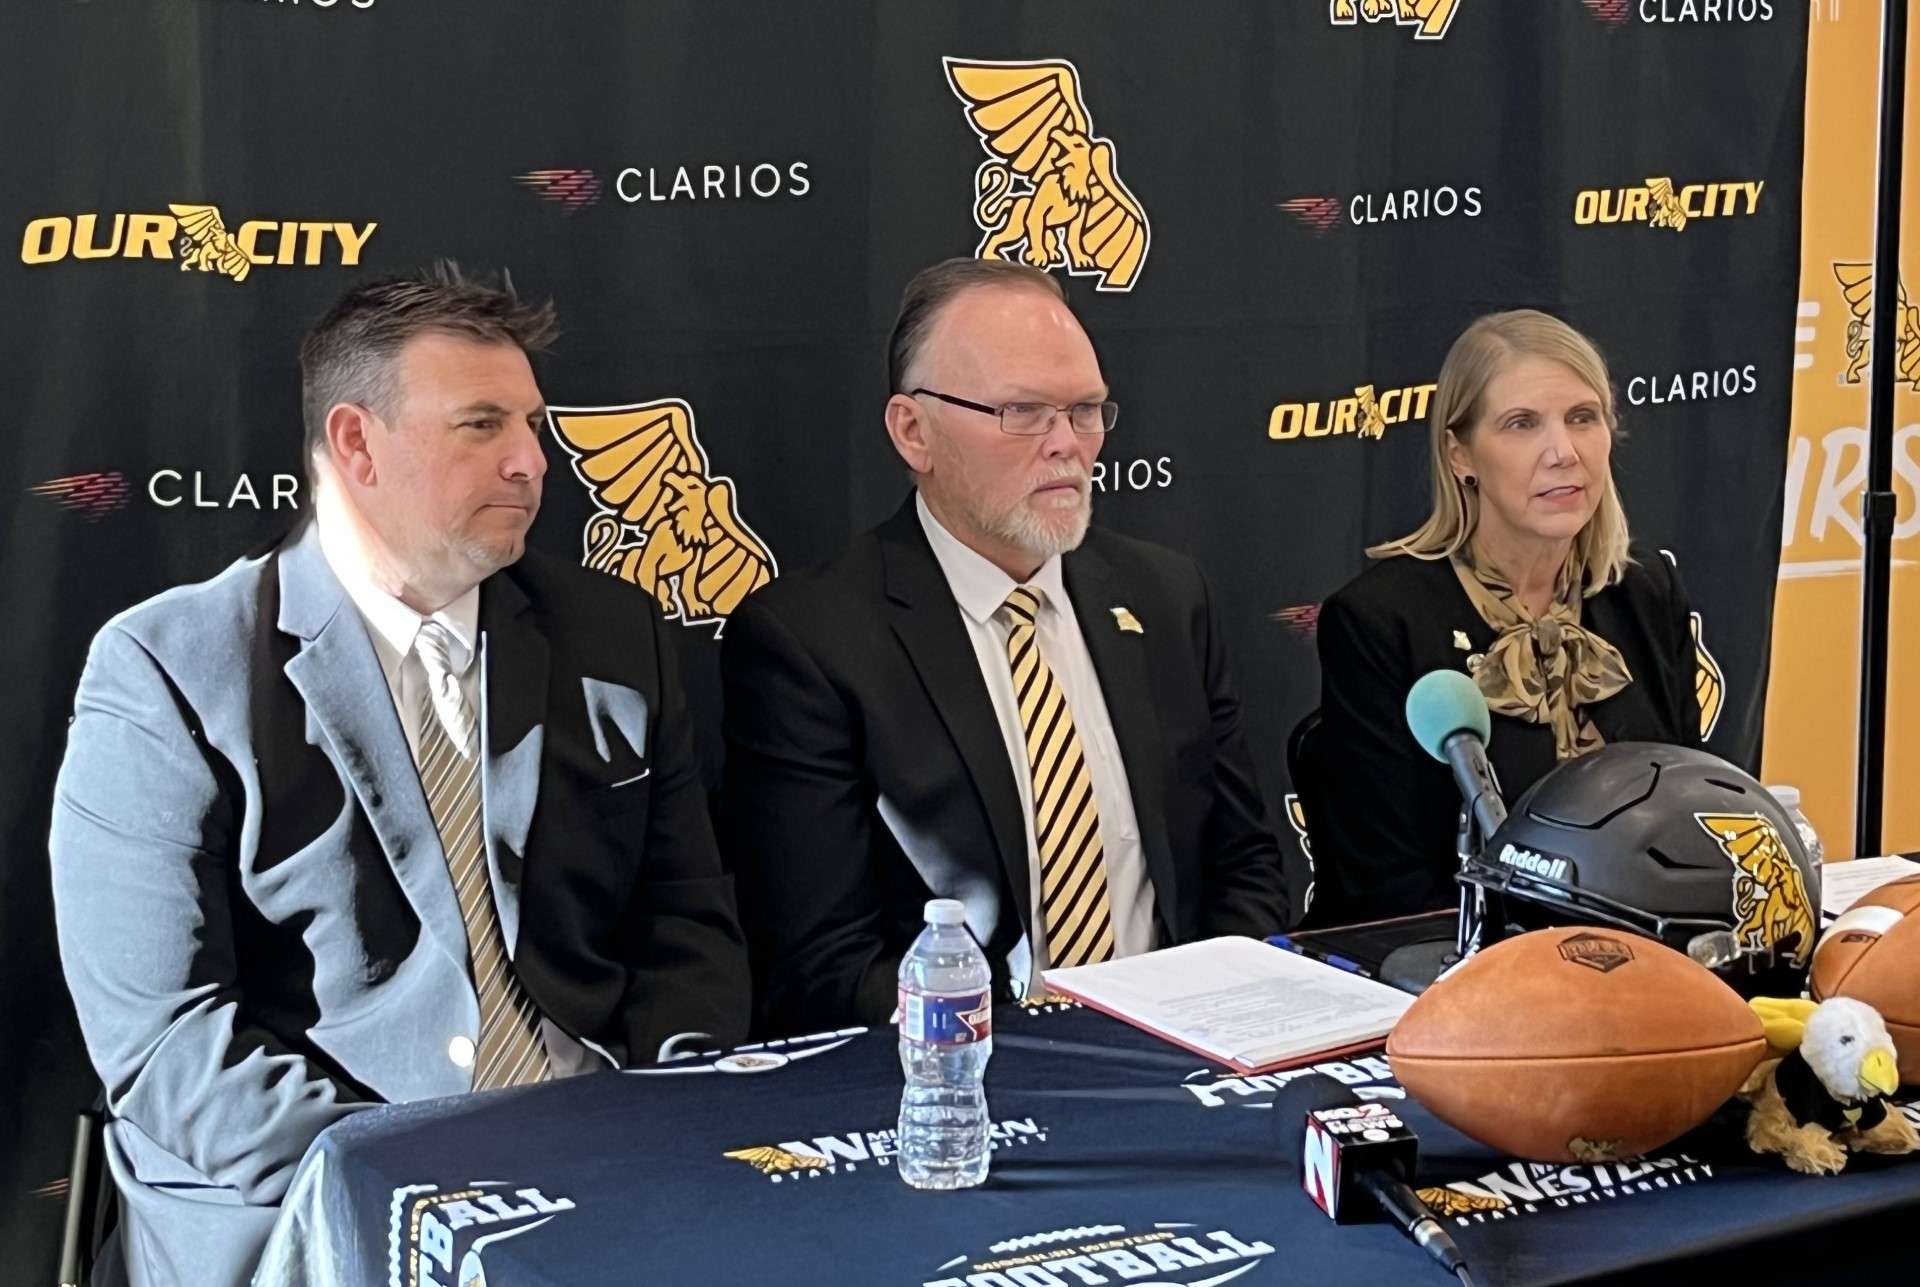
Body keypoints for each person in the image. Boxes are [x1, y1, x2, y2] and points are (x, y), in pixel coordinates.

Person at [49, 264, 750, 1287]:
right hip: (315, 1207)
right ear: (355, 444)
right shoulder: (171, 670)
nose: (530, 463)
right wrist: (425, 1187)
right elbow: (166, 1048)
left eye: (532, 426)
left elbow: (688, 923)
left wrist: (657, 1117)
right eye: (480, 427)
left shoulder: (611, 633)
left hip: (606, 1173)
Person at [722, 257, 1289, 1036]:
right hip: (958, 1085)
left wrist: (1216, 1022)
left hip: (1181, 1062)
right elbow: (824, 963)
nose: (1068, 445)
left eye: (1086, 410)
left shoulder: (1164, 596)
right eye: (1023, 412)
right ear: (913, 430)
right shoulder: (811, 643)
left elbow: (1243, 867)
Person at [1307, 309, 1704, 924]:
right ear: (1460, 453)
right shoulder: (1382, 621)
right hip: (1464, 975)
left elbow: (1693, 820)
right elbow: (1385, 892)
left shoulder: (1644, 591)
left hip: (1643, 966)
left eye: (1582, 418)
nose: (1563, 453)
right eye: (1522, 425)